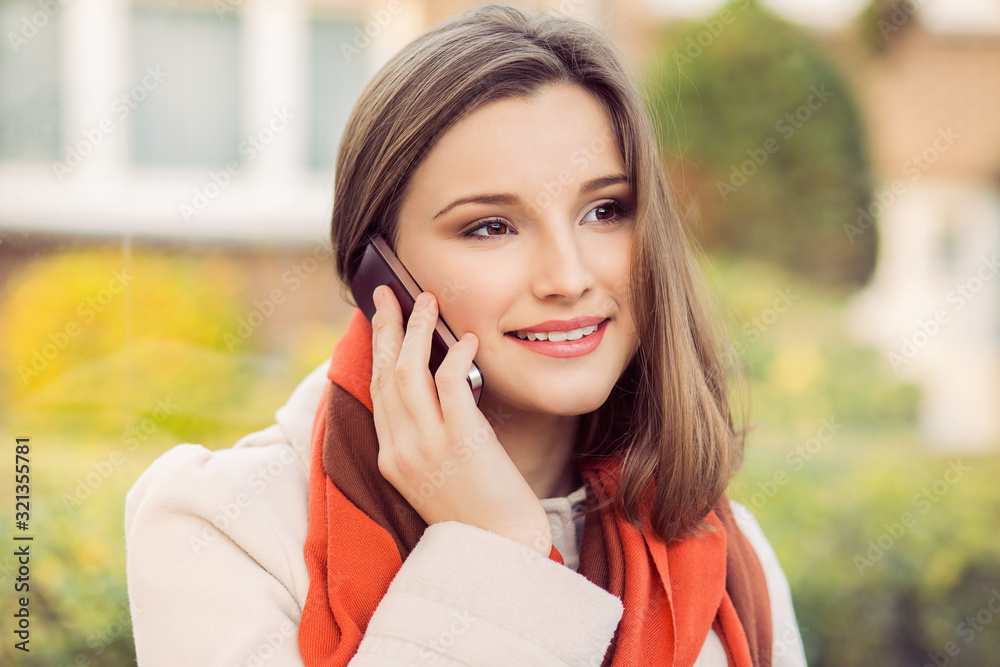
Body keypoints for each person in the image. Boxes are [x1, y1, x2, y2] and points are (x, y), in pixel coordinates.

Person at [124, 4, 808, 666]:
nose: (568, 277)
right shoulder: (222, 526)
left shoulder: (726, 554)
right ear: (379, 273)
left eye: (605, 210)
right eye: (490, 226)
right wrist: (496, 550)